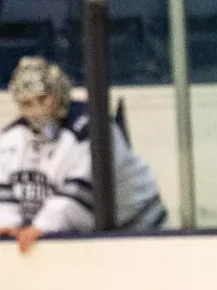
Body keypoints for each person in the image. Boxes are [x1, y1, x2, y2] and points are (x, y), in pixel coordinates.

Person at [0, 57, 166, 254]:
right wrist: (7, 223)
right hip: (86, 238)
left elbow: (80, 191)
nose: (36, 110)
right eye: (27, 103)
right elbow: (5, 192)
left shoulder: (95, 127)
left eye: (43, 99)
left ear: (58, 92)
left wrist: (44, 224)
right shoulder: (11, 138)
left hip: (142, 230)